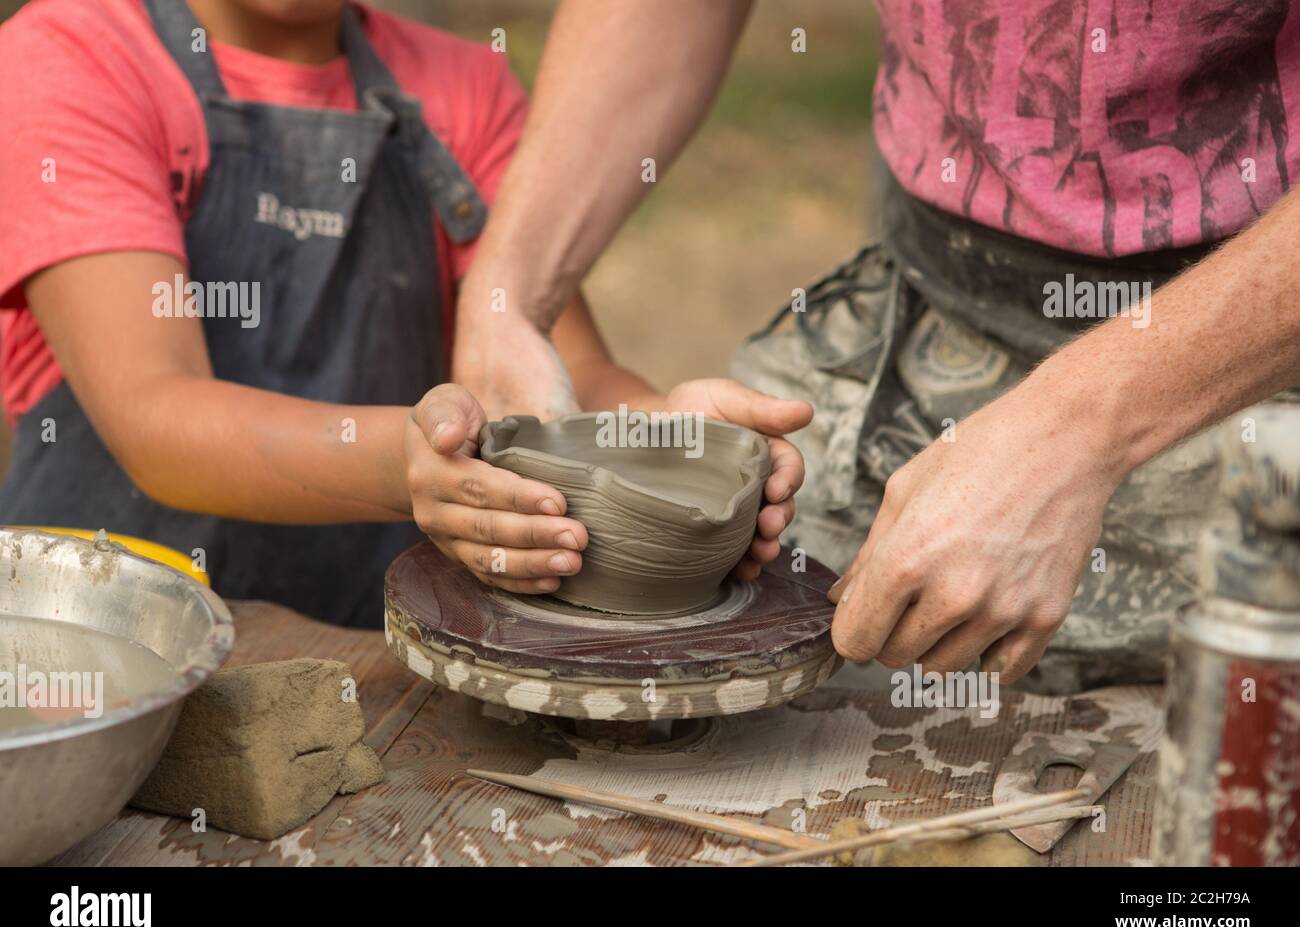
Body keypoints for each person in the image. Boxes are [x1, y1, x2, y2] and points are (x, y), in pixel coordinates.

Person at [451, 0, 1300, 693]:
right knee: (765, 633)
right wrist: (510, 300)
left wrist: (1075, 431)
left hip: (1256, 350)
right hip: (930, 292)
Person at [0, 0, 811, 626]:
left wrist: (663, 439)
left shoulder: (463, 85)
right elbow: (153, 418)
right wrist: (404, 465)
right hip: (101, 657)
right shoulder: (69, 57)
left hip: (375, 654)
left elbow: (566, 375)